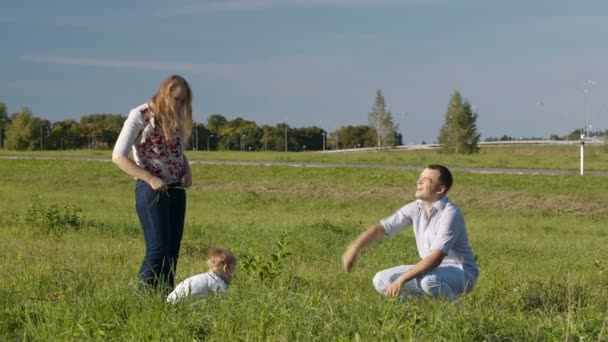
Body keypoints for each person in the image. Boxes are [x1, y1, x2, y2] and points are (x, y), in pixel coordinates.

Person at [342, 164, 478, 300]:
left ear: (440, 189)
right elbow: (382, 228)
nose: (419, 181)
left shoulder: (450, 213)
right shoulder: (415, 208)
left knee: (428, 281)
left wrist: (401, 280)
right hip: (432, 270)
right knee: (381, 279)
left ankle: (459, 311)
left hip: (461, 272)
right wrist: (355, 248)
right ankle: (420, 308)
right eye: (420, 178)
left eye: (427, 180)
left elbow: (436, 258)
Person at [112, 74, 193, 291]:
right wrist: (150, 178)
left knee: (171, 251)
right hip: (150, 190)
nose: (179, 105)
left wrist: (187, 168)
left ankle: (166, 299)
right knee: (157, 249)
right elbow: (118, 156)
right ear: (164, 94)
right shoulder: (140, 115)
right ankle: (141, 298)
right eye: (176, 99)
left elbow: (175, 150)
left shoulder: (174, 119)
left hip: (176, 189)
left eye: (183, 101)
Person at [167, 247, 237, 303]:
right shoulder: (216, 281)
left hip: (170, 299)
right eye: (233, 270)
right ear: (227, 268)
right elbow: (225, 300)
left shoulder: (203, 277)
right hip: (181, 304)